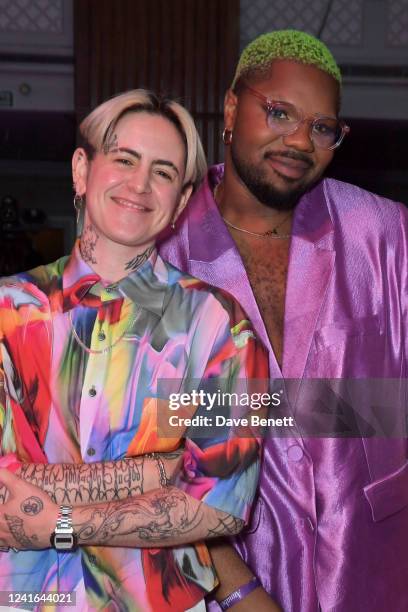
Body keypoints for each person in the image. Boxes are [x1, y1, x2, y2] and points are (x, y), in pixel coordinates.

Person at [159, 30, 408, 611]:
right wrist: (237, 588)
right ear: (229, 107)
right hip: (229, 574)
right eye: (279, 112)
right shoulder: (163, 253)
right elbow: (145, 451)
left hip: (374, 567)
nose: (300, 139)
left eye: (323, 127)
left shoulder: (384, 233)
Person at [0, 89, 269, 612]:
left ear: (183, 200)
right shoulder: (7, 311)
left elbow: (220, 507)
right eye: (124, 159)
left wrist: (58, 524)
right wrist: (159, 471)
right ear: (82, 170)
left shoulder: (221, 328)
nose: (140, 184)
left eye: (164, 171)